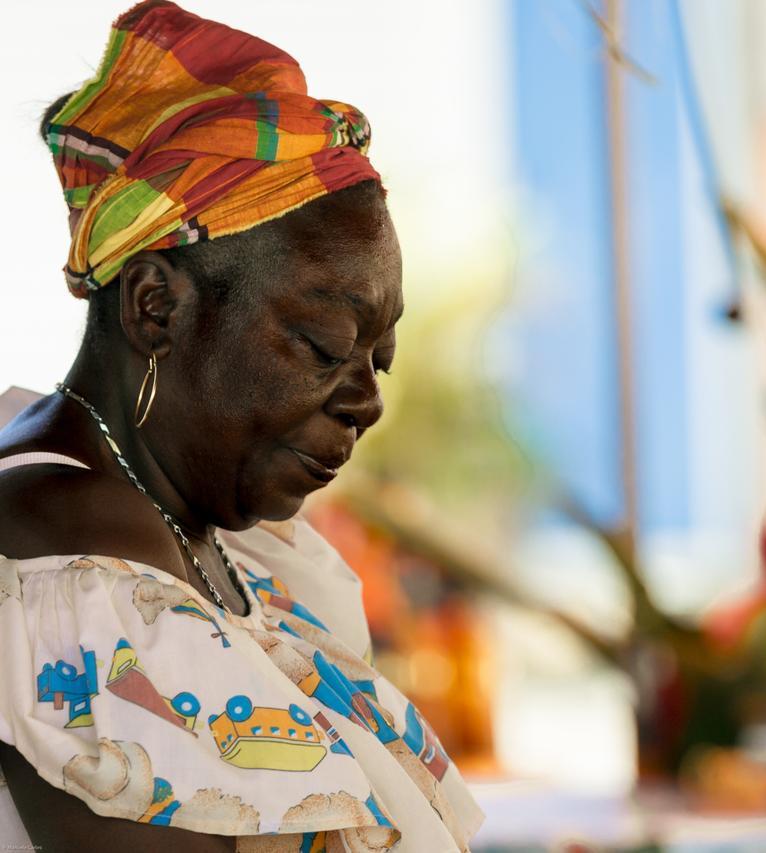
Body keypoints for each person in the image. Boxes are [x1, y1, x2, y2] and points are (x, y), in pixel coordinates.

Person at [0, 2, 483, 850]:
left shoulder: (201, 531)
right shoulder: (67, 552)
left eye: (383, 355)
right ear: (157, 307)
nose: (366, 401)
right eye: (325, 345)